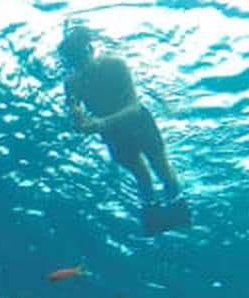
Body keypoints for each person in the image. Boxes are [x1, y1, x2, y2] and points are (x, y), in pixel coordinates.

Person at [59, 25, 190, 234]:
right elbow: (75, 112)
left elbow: (134, 108)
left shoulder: (116, 65)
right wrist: (78, 120)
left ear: (91, 49)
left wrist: (100, 124)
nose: (80, 64)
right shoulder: (72, 82)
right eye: (74, 61)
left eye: (81, 56)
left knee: (162, 169)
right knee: (142, 177)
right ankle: (155, 216)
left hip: (138, 125)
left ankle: (178, 209)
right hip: (114, 134)